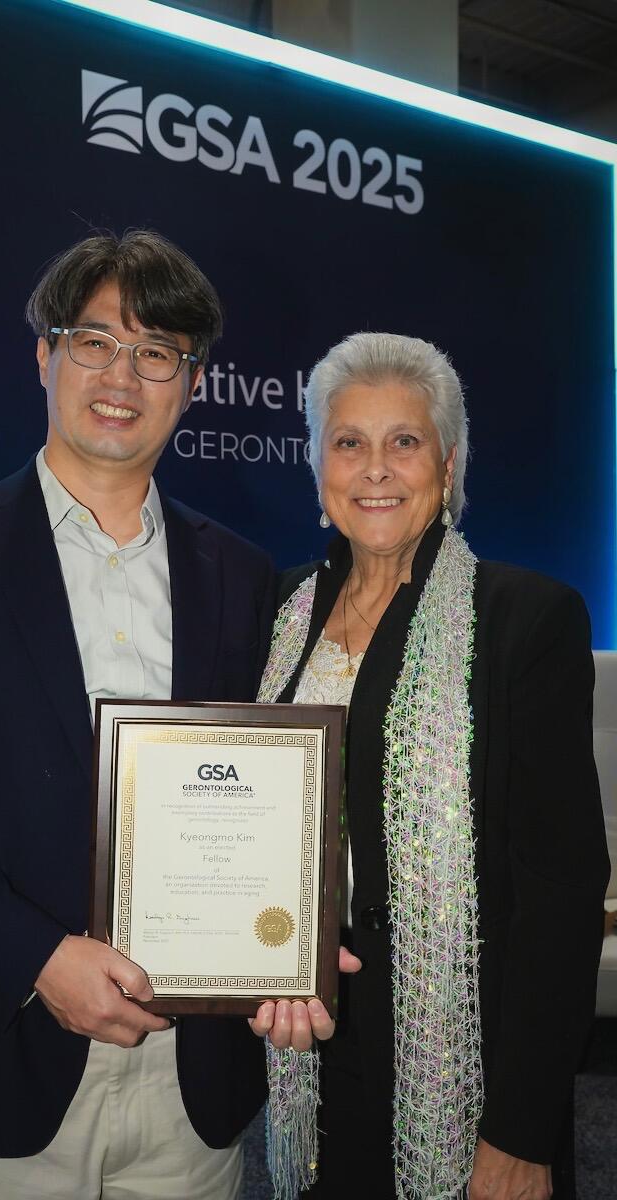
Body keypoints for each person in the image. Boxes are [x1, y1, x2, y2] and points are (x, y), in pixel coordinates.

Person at [0, 230, 276, 1199]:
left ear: (190, 385)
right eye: (93, 341)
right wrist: (35, 959)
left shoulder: (240, 578)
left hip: (188, 1079)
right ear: (43, 356)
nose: (122, 374)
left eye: (156, 351)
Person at [251, 332, 608, 1200]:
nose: (376, 468)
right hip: (310, 1038)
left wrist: (521, 1131)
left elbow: (564, 889)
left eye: (404, 441)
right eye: (349, 442)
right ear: (318, 466)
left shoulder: (526, 621)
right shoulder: (276, 611)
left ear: (446, 467)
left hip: (473, 1070)